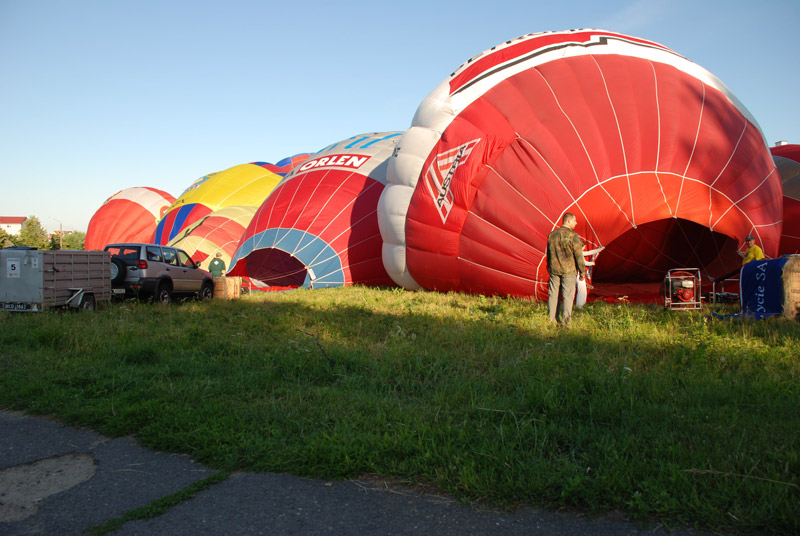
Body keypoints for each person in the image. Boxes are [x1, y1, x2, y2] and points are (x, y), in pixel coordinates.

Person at [546, 213, 586, 326]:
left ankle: (551, 319)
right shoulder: (573, 236)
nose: (576, 223)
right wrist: (582, 271)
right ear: (568, 221)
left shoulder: (552, 235)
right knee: (568, 296)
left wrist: (549, 266)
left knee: (553, 294)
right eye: (574, 221)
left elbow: (548, 253)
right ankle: (565, 321)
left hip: (554, 269)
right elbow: (579, 255)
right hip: (569, 271)